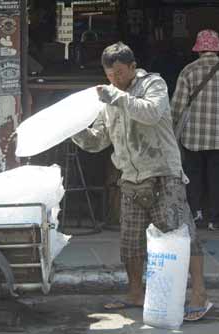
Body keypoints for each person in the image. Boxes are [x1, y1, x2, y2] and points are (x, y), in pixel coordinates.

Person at [72, 42, 212, 321]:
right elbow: (99, 140)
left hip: (163, 175)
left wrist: (117, 96)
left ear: (133, 67)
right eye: (110, 75)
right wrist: (74, 130)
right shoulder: (109, 100)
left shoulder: (153, 84)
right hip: (131, 179)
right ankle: (135, 292)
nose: (115, 80)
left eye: (120, 73)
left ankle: (200, 294)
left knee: (181, 236)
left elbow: (151, 113)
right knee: (130, 244)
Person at [171, 29, 219, 231]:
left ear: (199, 50)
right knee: (216, 176)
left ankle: (197, 214)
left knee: (194, 174)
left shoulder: (188, 71)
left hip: (193, 137)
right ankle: (214, 219)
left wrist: (171, 128)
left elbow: (177, 105)